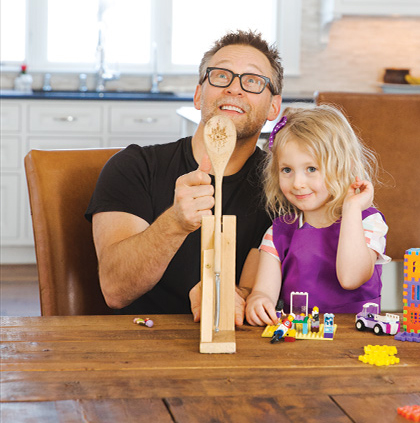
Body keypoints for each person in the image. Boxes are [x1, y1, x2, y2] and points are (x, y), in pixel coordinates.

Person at [85, 29, 283, 323]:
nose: (234, 88)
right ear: (199, 94)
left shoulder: (286, 185)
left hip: (245, 346)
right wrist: (175, 222)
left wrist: (235, 294)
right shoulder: (134, 167)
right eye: (220, 76)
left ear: (274, 107)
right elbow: (115, 290)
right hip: (143, 346)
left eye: (252, 81)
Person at [244, 104, 391, 326]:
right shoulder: (278, 231)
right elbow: (264, 291)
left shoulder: (368, 222)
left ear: (345, 167)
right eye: (287, 170)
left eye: (311, 169)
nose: (298, 183)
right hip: (299, 339)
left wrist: (352, 209)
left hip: (353, 337)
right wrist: (258, 300)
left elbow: (350, 278)